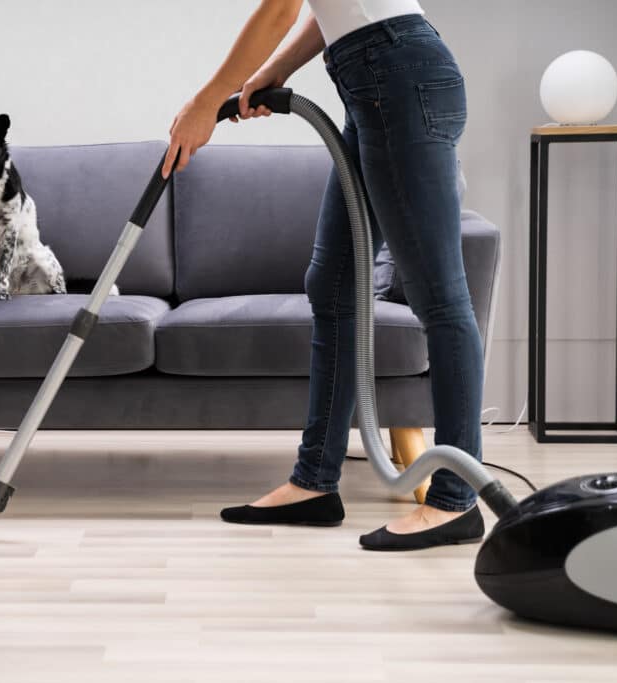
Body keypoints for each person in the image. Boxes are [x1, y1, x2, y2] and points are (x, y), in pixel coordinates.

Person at [164, 0, 485, 550]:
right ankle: (314, 482)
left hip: (397, 77)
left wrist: (206, 98)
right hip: (377, 80)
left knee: (439, 297)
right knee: (332, 284)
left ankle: (456, 499)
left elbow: (280, 9)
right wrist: (275, 72)